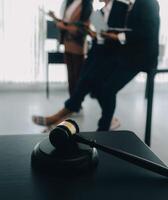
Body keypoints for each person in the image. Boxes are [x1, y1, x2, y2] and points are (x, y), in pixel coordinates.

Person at [33, 0, 160, 131]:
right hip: (105, 50)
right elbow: (105, 35)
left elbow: (133, 34)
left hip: (122, 55)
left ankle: (69, 115)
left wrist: (113, 36)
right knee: (88, 78)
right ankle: (95, 120)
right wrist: (95, 34)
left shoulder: (124, 6)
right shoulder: (99, 12)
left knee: (97, 84)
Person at [50, 0, 93, 97]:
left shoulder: (87, 4)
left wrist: (64, 27)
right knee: (70, 75)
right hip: (67, 42)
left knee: (77, 75)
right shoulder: (70, 3)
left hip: (78, 44)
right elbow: (67, 22)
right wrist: (54, 18)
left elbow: (83, 28)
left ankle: (76, 102)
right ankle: (71, 101)